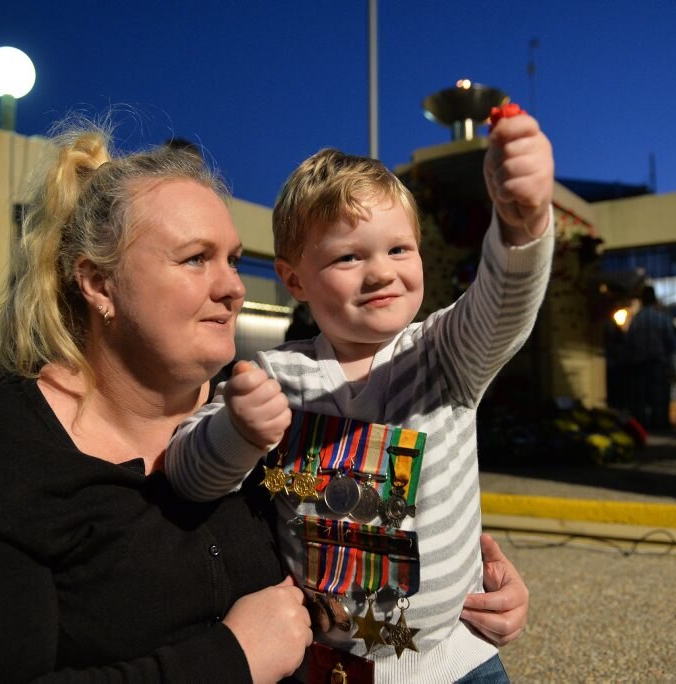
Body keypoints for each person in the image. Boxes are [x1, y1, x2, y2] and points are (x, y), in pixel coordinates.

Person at [0, 117, 531, 682]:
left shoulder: (260, 402)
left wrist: (456, 580)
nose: (234, 289)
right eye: (194, 260)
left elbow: (359, 514)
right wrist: (229, 659)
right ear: (98, 285)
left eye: (235, 260)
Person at [166, 111, 553, 682]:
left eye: (399, 249)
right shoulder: (275, 375)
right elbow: (186, 473)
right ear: (294, 280)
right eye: (349, 257)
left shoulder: (445, 354)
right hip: (331, 667)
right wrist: (238, 432)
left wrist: (522, 225)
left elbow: (503, 305)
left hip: (459, 661)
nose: (380, 273)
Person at [625, 285, 676, 431]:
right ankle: (660, 423)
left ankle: (642, 424)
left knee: (641, 396)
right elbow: (672, 342)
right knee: (659, 394)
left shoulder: (636, 320)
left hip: (639, 363)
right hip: (658, 362)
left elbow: (629, 343)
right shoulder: (661, 318)